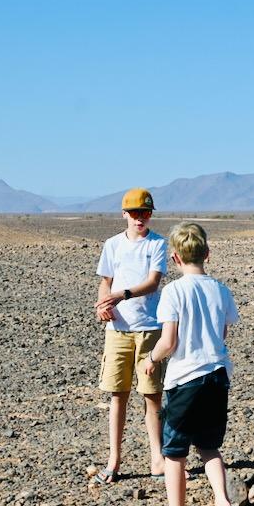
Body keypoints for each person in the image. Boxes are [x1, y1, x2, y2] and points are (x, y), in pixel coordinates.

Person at [141, 222, 240, 506]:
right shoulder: (221, 290)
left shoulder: (173, 292)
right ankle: (223, 503)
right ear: (207, 254)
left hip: (185, 380)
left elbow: (169, 341)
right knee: (209, 447)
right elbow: (223, 335)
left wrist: (152, 359)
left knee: (175, 455)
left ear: (174, 257)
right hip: (217, 377)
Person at [91, 188, 169, 484]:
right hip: (118, 331)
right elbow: (105, 281)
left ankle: (157, 459)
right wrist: (103, 305)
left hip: (148, 328)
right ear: (124, 214)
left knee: (152, 396)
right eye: (135, 213)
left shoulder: (158, 244)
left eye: (146, 212)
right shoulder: (112, 245)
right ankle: (114, 460)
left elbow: (153, 282)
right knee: (117, 395)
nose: (140, 218)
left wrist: (120, 296)